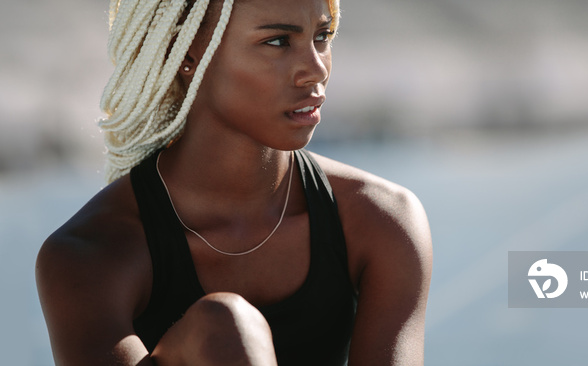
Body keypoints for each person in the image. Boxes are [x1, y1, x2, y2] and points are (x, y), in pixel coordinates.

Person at [35, 0, 433, 364]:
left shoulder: (381, 220)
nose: (316, 69)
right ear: (188, 52)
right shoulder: (91, 255)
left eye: (322, 37)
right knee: (224, 329)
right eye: (278, 41)